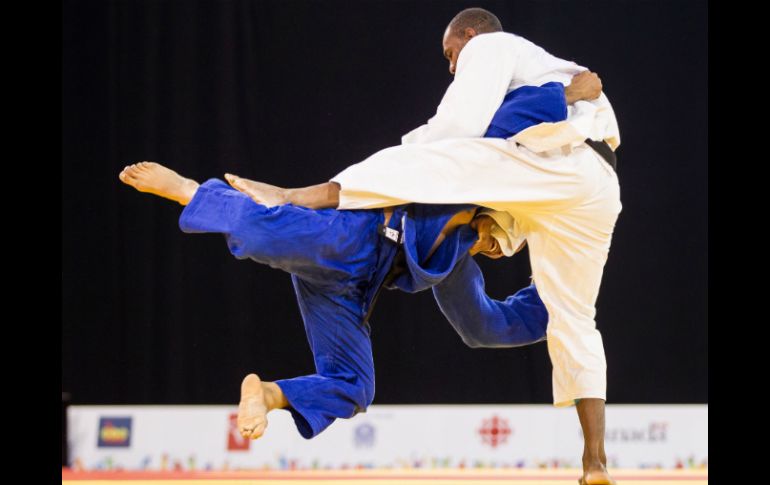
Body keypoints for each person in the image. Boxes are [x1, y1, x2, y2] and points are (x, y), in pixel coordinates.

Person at [222, 9, 620, 485]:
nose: (452, 65)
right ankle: (594, 463)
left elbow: (459, 126)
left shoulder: (490, 45)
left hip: (541, 170)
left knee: (421, 160)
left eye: (451, 53)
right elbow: (511, 130)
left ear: (469, 35)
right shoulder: (550, 73)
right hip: (596, 185)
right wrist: (499, 229)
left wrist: (419, 154)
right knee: (571, 320)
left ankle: (292, 194)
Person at [119, 161, 548, 443]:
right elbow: (362, 181)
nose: (491, 251)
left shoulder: (456, 262)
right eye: (496, 242)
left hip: (349, 289)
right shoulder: (460, 180)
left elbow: (485, 325)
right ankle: (191, 191)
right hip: (356, 236)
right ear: (496, 213)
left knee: (355, 386)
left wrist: (559, 303)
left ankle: (269, 394)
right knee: (262, 233)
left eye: (497, 251)